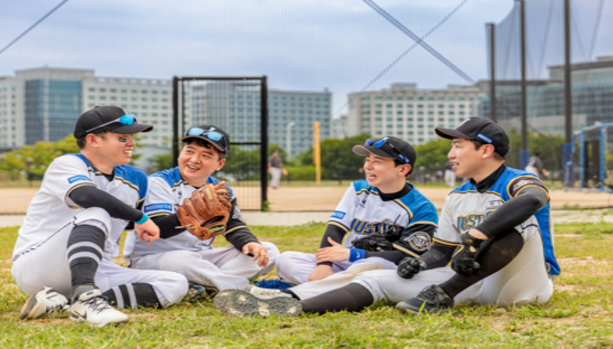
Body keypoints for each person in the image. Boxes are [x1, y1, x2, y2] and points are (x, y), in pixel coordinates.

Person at [214, 117, 560, 317]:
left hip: (522, 284)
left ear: (485, 150)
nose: (450, 152)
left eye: (458, 145)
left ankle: (440, 296)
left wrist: (479, 236)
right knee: (377, 279)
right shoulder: (457, 196)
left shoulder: (515, 179)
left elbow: (535, 197)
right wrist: (421, 265)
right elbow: (440, 251)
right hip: (474, 284)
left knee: (519, 222)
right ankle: (289, 302)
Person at [12, 106, 188, 327]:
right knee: (97, 211)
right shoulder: (67, 163)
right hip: (39, 266)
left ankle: (64, 302)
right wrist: (139, 217)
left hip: (96, 267)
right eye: (123, 138)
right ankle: (86, 298)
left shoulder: (137, 179)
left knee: (175, 283)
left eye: (132, 137)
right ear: (93, 140)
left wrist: (184, 218)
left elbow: (134, 228)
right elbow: (86, 196)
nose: (132, 143)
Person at [231, 136, 437, 300]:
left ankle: (288, 295)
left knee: (369, 267)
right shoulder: (358, 189)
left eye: (378, 161)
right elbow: (335, 228)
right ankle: (329, 288)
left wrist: (351, 255)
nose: (368, 166)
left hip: (379, 269)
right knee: (287, 260)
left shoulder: (422, 208)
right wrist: (324, 264)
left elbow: (406, 256)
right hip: (343, 265)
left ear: (403, 169)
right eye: (367, 160)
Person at [123, 124, 280, 297]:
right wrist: (191, 214)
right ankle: (241, 289)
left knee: (268, 250)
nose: (194, 159)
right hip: (154, 259)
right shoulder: (159, 182)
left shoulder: (220, 189)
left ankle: (203, 284)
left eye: (206, 155)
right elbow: (160, 229)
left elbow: (233, 225)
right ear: (181, 154)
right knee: (184, 260)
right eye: (189, 151)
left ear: (219, 164)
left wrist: (249, 242)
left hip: (201, 259)